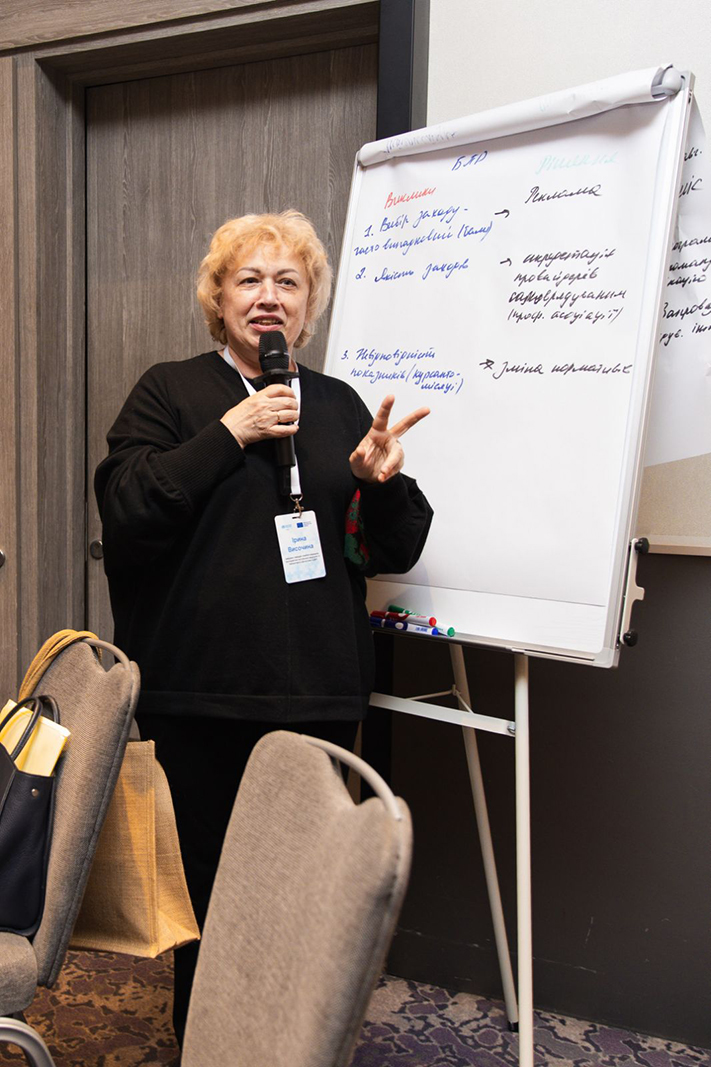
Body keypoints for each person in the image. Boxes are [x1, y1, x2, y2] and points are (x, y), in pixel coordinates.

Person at [94, 210, 433, 1044]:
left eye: (288, 281)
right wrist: (229, 433)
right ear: (218, 299)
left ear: (308, 306)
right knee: (212, 899)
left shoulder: (340, 405)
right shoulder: (170, 391)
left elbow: (394, 548)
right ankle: (208, 1048)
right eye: (248, 279)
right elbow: (129, 509)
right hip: (199, 696)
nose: (268, 296)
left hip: (319, 693)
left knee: (306, 897)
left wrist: (381, 484)